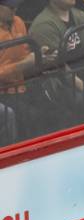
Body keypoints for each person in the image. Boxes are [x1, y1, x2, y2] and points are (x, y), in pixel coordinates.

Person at [0, 0, 35, 144]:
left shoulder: (19, 22)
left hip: (24, 87)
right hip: (4, 94)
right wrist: (22, 65)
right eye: (10, 7)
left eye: (16, 6)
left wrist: (39, 55)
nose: (14, 10)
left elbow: (25, 51)